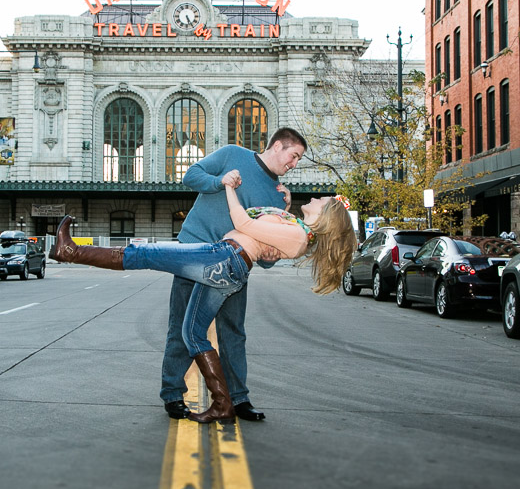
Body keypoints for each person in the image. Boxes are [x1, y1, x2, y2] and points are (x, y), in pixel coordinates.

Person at [50, 171, 356, 423]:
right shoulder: (298, 230)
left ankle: (71, 251)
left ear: (327, 215)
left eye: (321, 200)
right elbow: (267, 233)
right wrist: (285, 208)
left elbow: (244, 224)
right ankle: (223, 404)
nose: (315, 198)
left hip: (221, 258)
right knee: (193, 333)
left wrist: (227, 188)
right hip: (229, 266)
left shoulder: (300, 236)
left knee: (146, 252)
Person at [164, 128, 306, 422]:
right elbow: (191, 176)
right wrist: (220, 182)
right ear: (277, 146)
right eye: (294, 156)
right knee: (182, 326)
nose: (294, 164)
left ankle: (239, 399)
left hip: (235, 266)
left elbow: (267, 258)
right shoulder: (232, 155)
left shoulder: (279, 198)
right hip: (196, 250)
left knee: (233, 333)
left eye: (298, 160)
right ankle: (173, 394)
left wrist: (269, 255)